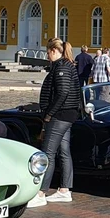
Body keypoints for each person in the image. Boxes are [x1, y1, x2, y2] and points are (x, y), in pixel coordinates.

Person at [32, 38, 84, 207]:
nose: (47, 56)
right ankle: (64, 190)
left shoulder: (62, 67)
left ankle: (40, 193)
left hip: (60, 115)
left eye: (48, 53)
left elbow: (62, 93)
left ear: (54, 51)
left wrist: (49, 114)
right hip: (67, 114)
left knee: (48, 152)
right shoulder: (67, 65)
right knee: (63, 151)